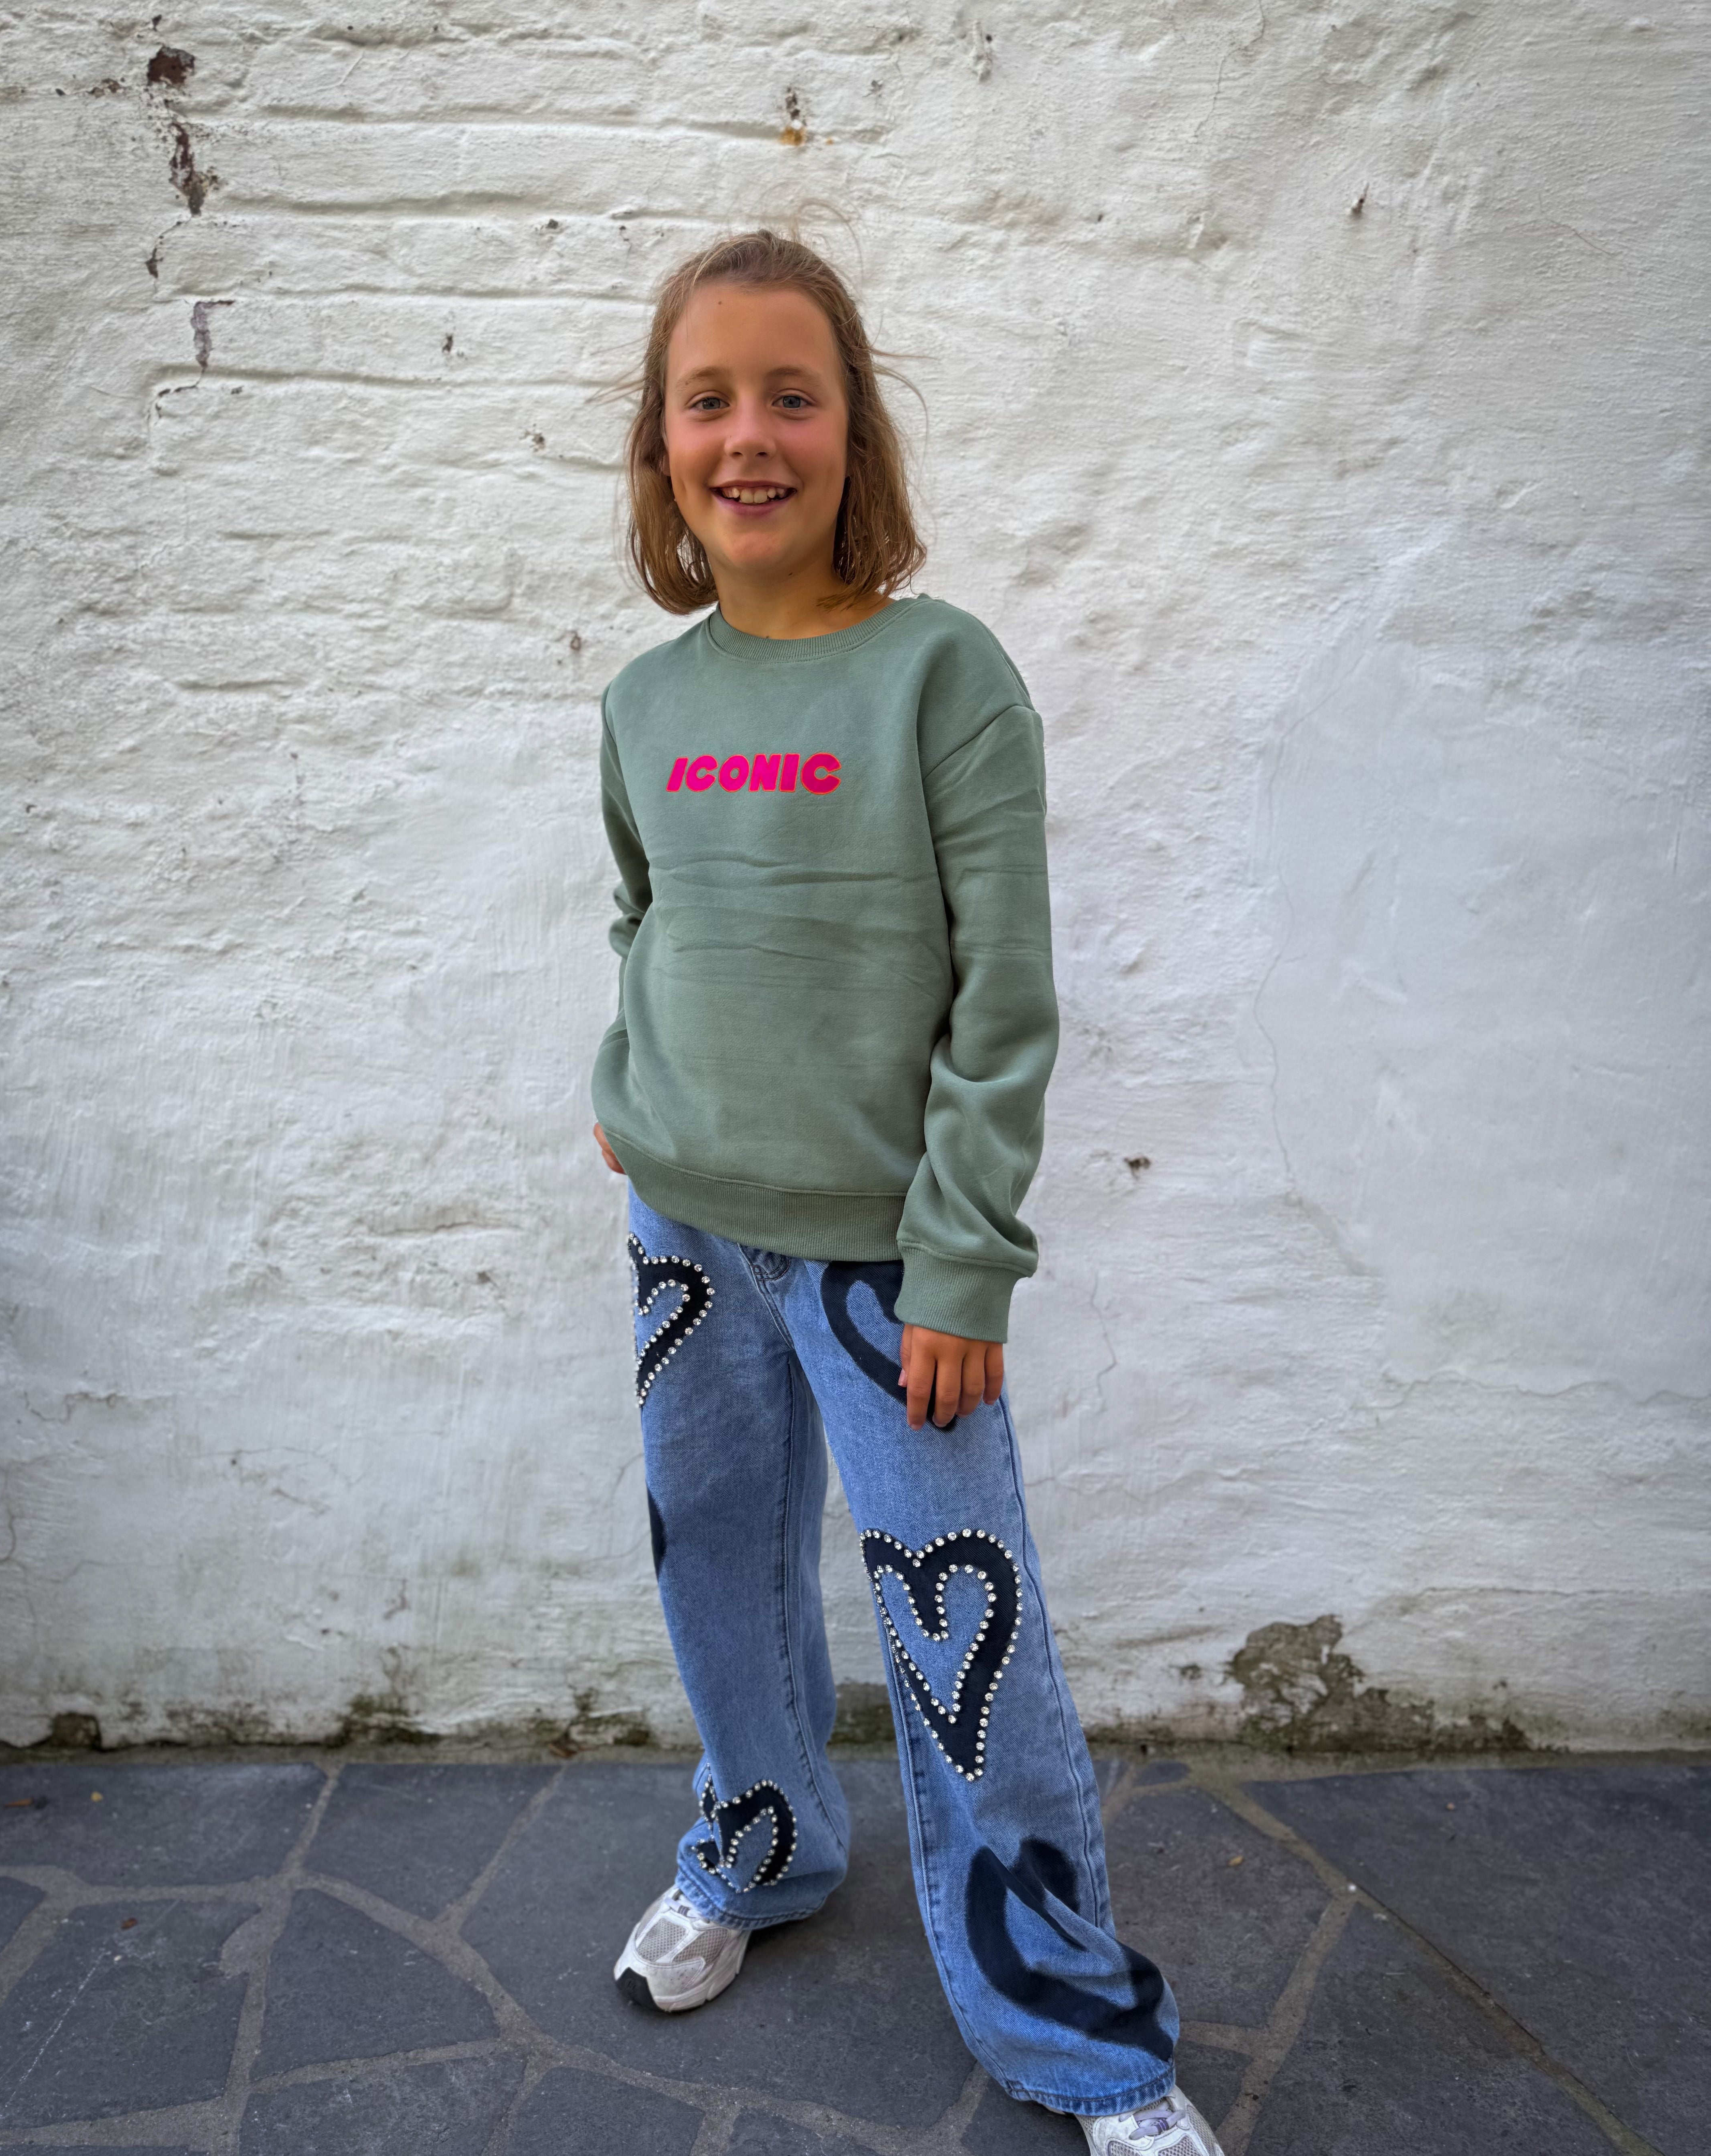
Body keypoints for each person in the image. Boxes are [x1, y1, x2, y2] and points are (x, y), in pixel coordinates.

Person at [588, 228, 1223, 2156]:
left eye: (794, 396)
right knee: (716, 1561)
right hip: (687, 1231)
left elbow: (1002, 1002)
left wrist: (964, 1258)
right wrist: (631, 1092)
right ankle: (760, 1843)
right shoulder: (646, 702)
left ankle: (1084, 2041)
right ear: (661, 444)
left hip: (887, 1264)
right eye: (709, 399)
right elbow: (645, 915)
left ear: (855, 433)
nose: (750, 436)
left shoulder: (944, 678)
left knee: (967, 1638)